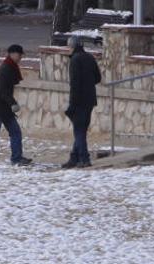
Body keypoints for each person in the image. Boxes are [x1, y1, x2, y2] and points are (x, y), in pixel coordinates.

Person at [63, 35, 101, 169]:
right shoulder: (89, 57)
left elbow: (74, 84)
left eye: (68, 47)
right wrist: (88, 84)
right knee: (81, 130)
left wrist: (72, 104)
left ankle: (84, 158)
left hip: (78, 101)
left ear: (72, 47)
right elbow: (98, 78)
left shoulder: (75, 60)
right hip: (90, 100)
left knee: (79, 131)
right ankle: (74, 158)